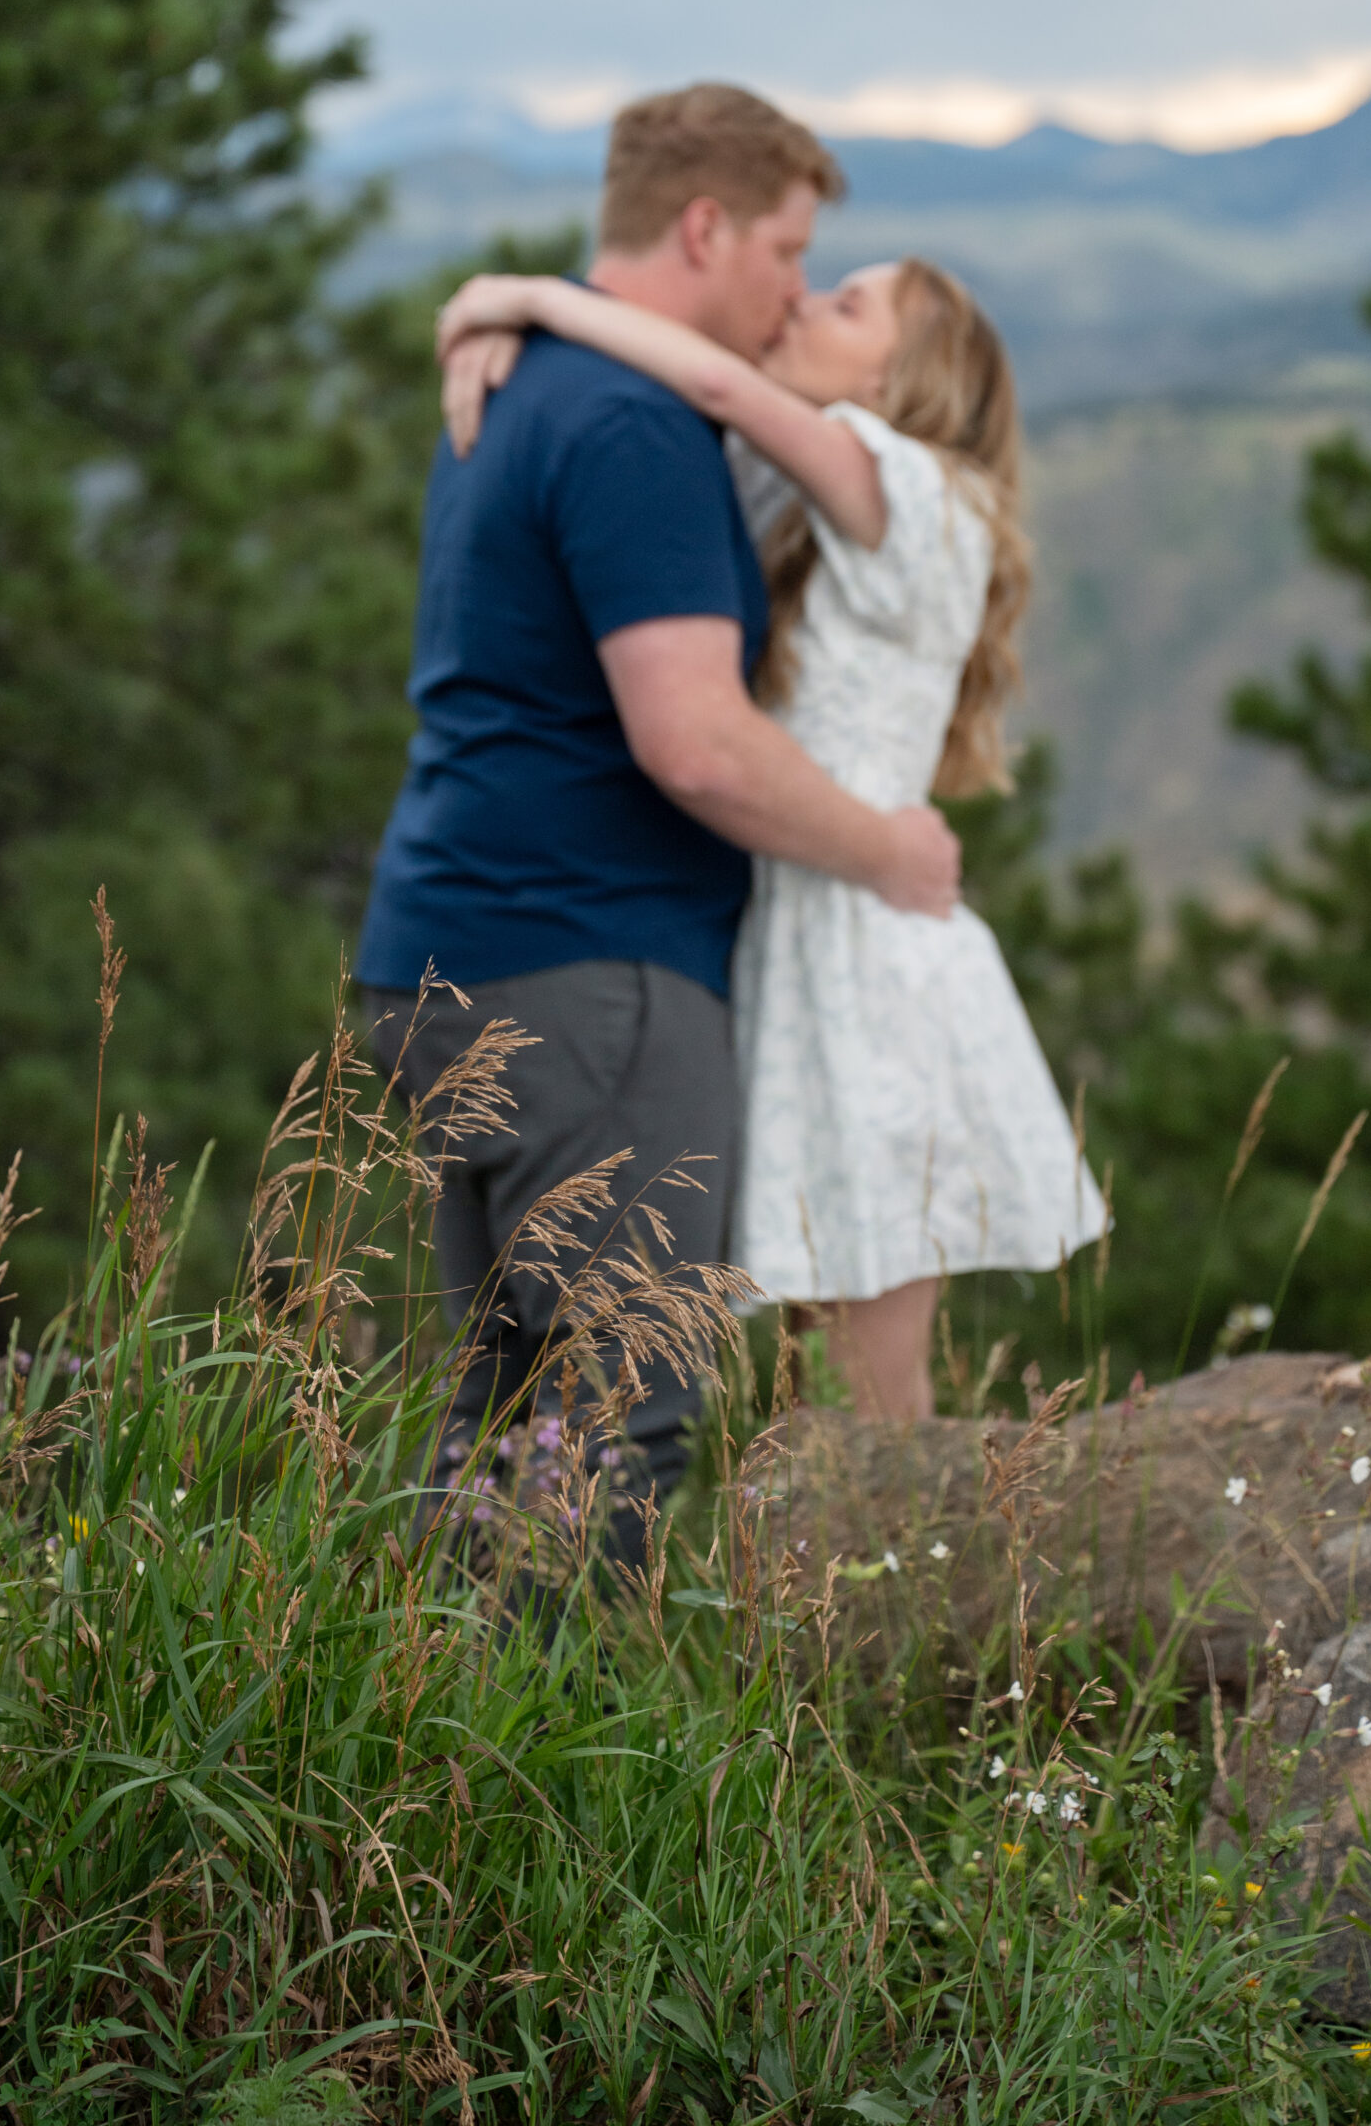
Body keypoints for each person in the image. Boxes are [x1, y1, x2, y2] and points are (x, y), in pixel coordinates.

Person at [356, 86, 961, 1545]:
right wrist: (887, 847)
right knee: (616, 1422)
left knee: (499, 1422)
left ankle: (428, 1753)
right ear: (705, 226)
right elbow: (693, 743)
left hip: (443, 941)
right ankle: (536, 1771)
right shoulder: (632, 422)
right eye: (784, 251)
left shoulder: (521, 378)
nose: (791, 292)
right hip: (592, 973)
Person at [435, 252, 1107, 1421]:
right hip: (802, 944)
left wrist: (539, 305)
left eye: (846, 304)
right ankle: (835, 1594)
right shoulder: (832, 498)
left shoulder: (916, 492)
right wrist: (503, 341)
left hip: (870, 959)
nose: (802, 301)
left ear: (908, 382)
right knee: (812, 1375)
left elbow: (724, 389)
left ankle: (904, 1589)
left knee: (866, 1381)